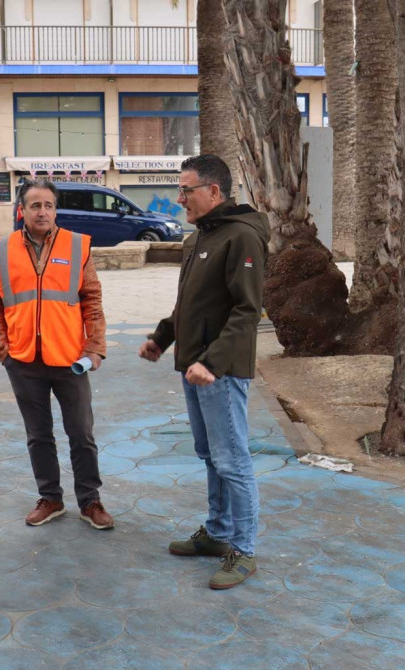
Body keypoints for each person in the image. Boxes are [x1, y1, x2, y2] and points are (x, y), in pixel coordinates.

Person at [138, 154, 268, 590]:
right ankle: (217, 533)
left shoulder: (242, 237)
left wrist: (211, 362)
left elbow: (246, 311)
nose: (180, 199)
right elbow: (188, 304)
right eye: (180, 190)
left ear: (214, 191)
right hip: (194, 366)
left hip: (221, 371)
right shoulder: (199, 239)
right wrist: (162, 338)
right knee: (210, 454)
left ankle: (244, 550)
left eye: (186, 190)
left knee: (233, 459)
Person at [0, 178, 112, 530]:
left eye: (48, 205)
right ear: (21, 210)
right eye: (35, 205)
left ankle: (91, 501)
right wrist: (3, 350)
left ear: (55, 209)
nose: (43, 212)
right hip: (23, 360)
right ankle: (51, 498)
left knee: (81, 434)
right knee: (38, 435)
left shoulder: (77, 246)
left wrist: (95, 347)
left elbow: (92, 301)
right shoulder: (1, 249)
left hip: (70, 359)